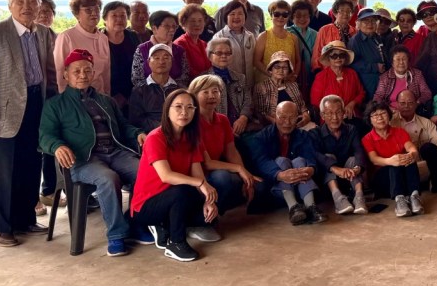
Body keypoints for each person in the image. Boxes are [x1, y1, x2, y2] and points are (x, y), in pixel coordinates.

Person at [38, 49, 146, 256]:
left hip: (115, 153)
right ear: (66, 74)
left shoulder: (106, 101)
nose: (82, 75)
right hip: (82, 159)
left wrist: (138, 134)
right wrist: (57, 146)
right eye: (76, 71)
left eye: (87, 70)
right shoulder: (55, 105)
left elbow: (124, 127)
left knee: (145, 170)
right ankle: (116, 234)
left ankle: (137, 223)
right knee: (108, 178)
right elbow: (45, 136)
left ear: (94, 73)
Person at [0, 0, 58, 247]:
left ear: (39, 5)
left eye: (32, 2)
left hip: (36, 106)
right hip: (4, 112)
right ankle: (2, 227)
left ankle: (25, 219)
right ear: (10, 5)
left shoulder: (43, 32)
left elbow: (49, 72)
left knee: (31, 165)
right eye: (20, 2)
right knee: (4, 171)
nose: (26, 7)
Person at [130, 89, 218, 262]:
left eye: (190, 107)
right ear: (167, 109)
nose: (184, 112)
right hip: (147, 205)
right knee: (182, 191)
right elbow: (166, 176)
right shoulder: (155, 137)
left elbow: (197, 174)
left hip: (174, 197)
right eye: (178, 107)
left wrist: (208, 200)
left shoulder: (192, 138)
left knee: (208, 218)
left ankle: (165, 224)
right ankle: (176, 243)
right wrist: (201, 184)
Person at [190, 74, 261, 227]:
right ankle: (200, 221)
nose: (211, 96)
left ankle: (212, 214)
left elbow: (231, 152)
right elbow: (206, 163)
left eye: (215, 91)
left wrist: (245, 176)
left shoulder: (222, 119)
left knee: (254, 184)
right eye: (205, 92)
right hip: (197, 176)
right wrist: (239, 169)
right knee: (223, 178)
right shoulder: (192, 122)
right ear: (194, 95)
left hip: (216, 169)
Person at [248, 101, 325, 226]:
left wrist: (311, 169)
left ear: (297, 118)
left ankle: (311, 207)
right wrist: (280, 175)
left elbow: (310, 155)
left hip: (300, 183)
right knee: (282, 161)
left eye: (292, 118)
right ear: (275, 116)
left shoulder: (303, 135)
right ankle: (293, 207)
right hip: (275, 184)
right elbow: (261, 161)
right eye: (283, 117)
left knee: (300, 161)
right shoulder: (261, 137)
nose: (287, 122)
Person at [362, 101, 423, 217]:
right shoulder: (367, 138)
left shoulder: (400, 132)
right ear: (370, 119)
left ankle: (415, 196)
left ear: (389, 115)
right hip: (382, 181)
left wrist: (411, 155)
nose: (380, 118)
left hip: (401, 176)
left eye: (383, 113)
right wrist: (390, 161)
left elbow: (411, 148)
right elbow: (374, 159)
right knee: (394, 164)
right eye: (375, 115)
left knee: (409, 160)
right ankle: (399, 200)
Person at [311, 95, 369, 215]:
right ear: (322, 115)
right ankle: (338, 198)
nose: (335, 117)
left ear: (343, 113)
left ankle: (359, 195)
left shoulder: (351, 129)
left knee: (354, 159)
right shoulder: (315, 133)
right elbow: (316, 155)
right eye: (329, 113)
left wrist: (358, 168)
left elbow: (358, 150)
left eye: (338, 112)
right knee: (328, 158)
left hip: (350, 179)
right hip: (328, 182)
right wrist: (335, 168)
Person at [393, 89, 437, 193]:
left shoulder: (426, 122)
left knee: (428, 148)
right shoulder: (390, 123)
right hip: (403, 164)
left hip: (423, 162)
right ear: (397, 104)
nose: (406, 106)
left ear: (416, 103)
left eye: (410, 103)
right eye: (402, 103)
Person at [54, 0, 110, 93]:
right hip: (76, 96)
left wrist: (106, 96)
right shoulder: (66, 37)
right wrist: (66, 98)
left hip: (99, 95)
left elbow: (106, 72)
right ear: (76, 14)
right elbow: (60, 72)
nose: (94, 13)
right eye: (88, 10)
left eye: (97, 9)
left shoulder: (103, 38)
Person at [34, 0, 60, 215]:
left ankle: (50, 190)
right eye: (39, 11)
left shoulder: (57, 37)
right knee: (33, 149)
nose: (43, 15)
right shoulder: (28, 36)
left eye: (48, 11)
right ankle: (31, 196)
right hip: (33, 100)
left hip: (54, 99)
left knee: (51, 146)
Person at [129, 44, 183, 132]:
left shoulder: (180, 89)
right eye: (156, 58)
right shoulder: (139, 90)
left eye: (166, 58)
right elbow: (136, 120)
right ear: (148, 62)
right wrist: (163, 127)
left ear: (172, 61)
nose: (161, 62)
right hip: (152, 134)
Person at [204, 37, 253, 135]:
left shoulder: (240, 78)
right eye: (219, 53)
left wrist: (243, 118)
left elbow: (248, 101)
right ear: (210, 56)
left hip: (242, 127)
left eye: (228, 53)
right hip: (216, 130)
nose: (224, 56)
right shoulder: (203, 81)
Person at [132, 10, 190, 87]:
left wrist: (170, 89)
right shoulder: (142, 49)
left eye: (174, 26)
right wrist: (155, 90)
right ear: (154, 28)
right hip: (148, 93)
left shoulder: (179, 50)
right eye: (167, 26)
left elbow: (185, 77)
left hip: (175, 92)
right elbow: (137, 78)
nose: (172, 30)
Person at [253, 51, 311, 129]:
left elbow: (302, 107)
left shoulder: (293, 85)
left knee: (314, 131)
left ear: (289, 71)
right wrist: (276, 122)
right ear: (271, 69)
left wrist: (306, 116)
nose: (281, 70)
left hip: (296, 123)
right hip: (273, 126)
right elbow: (260, 113)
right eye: (277, 67)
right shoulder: (261, 87)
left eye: (285, 67)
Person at [310, 41, 365, 122]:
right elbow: (315, 102)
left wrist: (352, 103)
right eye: (334, 56)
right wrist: (335, 112)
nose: (338, 58)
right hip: (331, 119)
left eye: (341, 55)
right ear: (329, 58)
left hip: (351, 115)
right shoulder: (321, 77)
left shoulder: (352, 73)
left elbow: (361, 93)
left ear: (345, 58)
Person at [372, 45, 433, 114]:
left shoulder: (417, 74)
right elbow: (378, 97)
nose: (401, 62)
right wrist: (389, 109)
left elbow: (427, 93)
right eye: (398, 59)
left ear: (408, 61)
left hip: (413, 112)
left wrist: (416, 103)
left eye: (404, 59)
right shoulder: (385, 77)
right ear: (392, 63)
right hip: (392, 113)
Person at [102, 1, 138, 112]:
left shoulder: (133, 36)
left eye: (123, 15)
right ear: (105, 19)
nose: (119, 19)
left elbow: (139, 65)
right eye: (114, 15)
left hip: (132, 94)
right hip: (106, 95)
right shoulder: (98, 39)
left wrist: (127, 95)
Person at [215, 0, 257, 91]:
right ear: (226, 17)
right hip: (230, 87)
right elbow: (216, 66)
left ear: (245, 16)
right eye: (232, 14)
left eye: (240, 14)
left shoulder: (250, 36)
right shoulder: (219, 37)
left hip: (249, 85)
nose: (236, 17)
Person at [255, 0, 300, 81]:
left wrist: (295, 76)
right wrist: (274, 76)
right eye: (277, 14)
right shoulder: (263, 36)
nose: (280, 17)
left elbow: (298, 61)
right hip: (266, 82)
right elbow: (256, 61)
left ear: (288, 17)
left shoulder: (294, 38)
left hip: (288, 82)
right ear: (271, 16)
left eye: (285, 15)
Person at [349, 8, 387, 100]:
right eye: (366, 21)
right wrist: (375, 67)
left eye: (373, 21)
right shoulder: (355, 41)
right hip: (366, 83)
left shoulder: (377, 37)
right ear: (359, 24)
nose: (370, 24)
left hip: (381, 82)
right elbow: (352, 63)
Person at [312, 0, 355, 72]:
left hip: (350, 71)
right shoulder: (325, 30)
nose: (345, 14)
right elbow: (317, 52)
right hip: (328, 71)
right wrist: (317, 70)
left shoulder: (355, 31)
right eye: (342, 11)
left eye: (348, 11)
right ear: (335, 13)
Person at [286, 0, 318, 90]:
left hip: (309, 75)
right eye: (298, 16)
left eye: (305, 15)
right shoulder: (287, 32)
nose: (302, 19)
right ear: (292, 17)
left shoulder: (315, 34)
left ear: (310, 16)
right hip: (290, 75)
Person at [174, 4, 212, 80]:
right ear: (184, 23)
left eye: (200, 20)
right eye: (192, 21)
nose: (197, 24)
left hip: (206, 83)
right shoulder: (179, 44)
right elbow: (186, 73)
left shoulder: (204, 44)